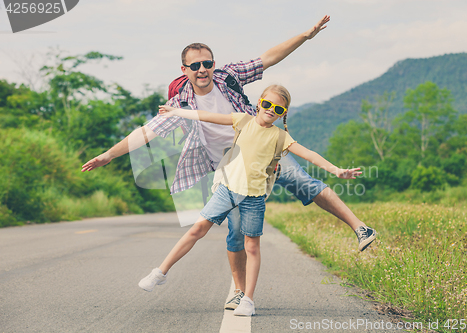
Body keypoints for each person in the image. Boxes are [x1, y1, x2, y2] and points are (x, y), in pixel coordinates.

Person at [81, 15, 377, 311]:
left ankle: (360, 228)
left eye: (207, 63)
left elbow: (268, 59)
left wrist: (305, 36)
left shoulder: (228, 77)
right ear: (184, 70)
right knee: (236, 229)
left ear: (213, 64)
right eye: (195, 65)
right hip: (229, 168)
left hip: (262, 146)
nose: (202, 70)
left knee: (302, 181)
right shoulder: (181, 102)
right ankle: (238, 290)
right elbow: (147, 131)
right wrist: (108, 154)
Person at [138, 84, 364, 316]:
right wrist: (177, 112)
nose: (270, 110)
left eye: (277, 108)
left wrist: (335, 170)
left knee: (252, 247)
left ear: (283, 113)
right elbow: (206, 116)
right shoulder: (243, 120)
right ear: (259, 103)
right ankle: (160, 272)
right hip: (226, 189)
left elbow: (309, 154)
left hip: (254, 198)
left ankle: (248, 300)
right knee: (197, 229)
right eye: (267, 104)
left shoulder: (280, 136)